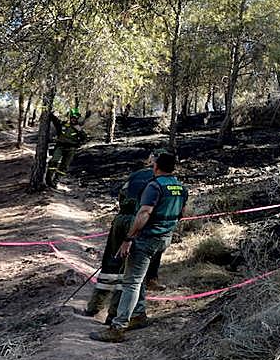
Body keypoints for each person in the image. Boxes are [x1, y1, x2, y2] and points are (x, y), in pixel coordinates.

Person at [91, 151, 188, 343]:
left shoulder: (155, 186)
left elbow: (144, 213)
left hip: (146, 239)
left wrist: (128, 238)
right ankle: (138, 315)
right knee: (141, 277)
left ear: (156, 166)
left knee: (131, 283)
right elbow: (181, 214)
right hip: (164, 238)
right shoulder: (181, 187)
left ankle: (118, 327)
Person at [83, 148, 162, 319]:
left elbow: (122, 195)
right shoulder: (160, 181)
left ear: (151, 160)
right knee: (127, 270)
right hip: (137, 223)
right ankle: (113, 314)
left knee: (110, 263)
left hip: (120, 220)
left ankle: (94, 307)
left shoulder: (136, 175)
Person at [47, 107, 89, 189]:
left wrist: (78, 143)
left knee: (64, 167)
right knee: (54, 161)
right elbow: (56, 121)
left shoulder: (78, 128)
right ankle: (48, 180)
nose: (73, 119)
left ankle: (55, 182)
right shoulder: (63, 124)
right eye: (72, 118)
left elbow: (84, 138)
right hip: (60, 146)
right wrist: (51, 114)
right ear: (70, 118)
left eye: (75, 118)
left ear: (77, 119)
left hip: (71, 149)